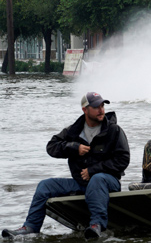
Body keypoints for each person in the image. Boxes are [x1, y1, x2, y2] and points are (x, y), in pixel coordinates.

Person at [2, 92, 130, 239]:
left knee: (97, 179)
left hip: (108, 182)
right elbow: (51, 147)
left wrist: (93, 170)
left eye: (102, 105)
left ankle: (96, 225)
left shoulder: (114, 130)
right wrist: (74, 148)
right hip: (80, 184)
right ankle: (30, 227)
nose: (101, 110)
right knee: (45, 185)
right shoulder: (73, 131)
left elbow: (123, 159)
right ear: (85, 110)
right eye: (96, 106)